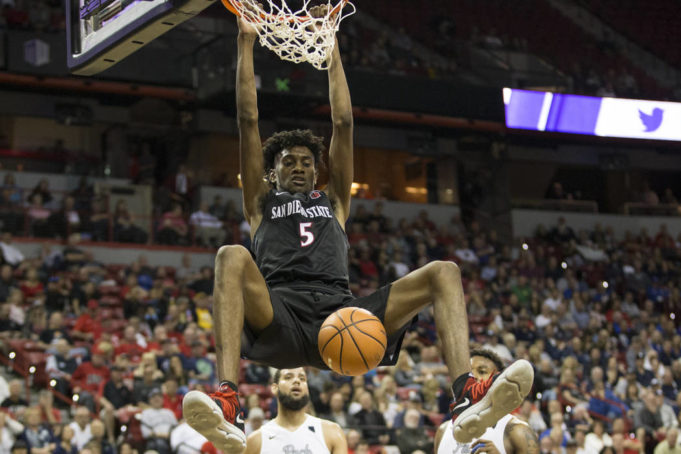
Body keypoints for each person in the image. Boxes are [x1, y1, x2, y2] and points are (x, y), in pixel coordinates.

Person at [182, 4, 533, 453]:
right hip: (280, 314)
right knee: (231, 255)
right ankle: (228, 400)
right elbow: (247, 120)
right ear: (272, 172)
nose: (299, 166)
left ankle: (465, 396)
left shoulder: (334, 202)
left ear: (318, 172)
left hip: (340, 312)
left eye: (307, 162)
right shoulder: (260, 202)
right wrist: (245, 42)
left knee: (444, 271)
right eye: (288, 162)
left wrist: (331, 46)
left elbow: (343, 123)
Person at [434, 349, 539, 454]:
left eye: (482, 372)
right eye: (469, 374)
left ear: (499, 381)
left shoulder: (517, 430)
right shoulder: (443, 430)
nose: (474, 377)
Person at [243, 367, 346, 454]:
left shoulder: (332, 432)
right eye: (288, 377)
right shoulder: (255, 441)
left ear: (307, 389)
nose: (297, 381)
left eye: (302, 378)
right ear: (274, 388)